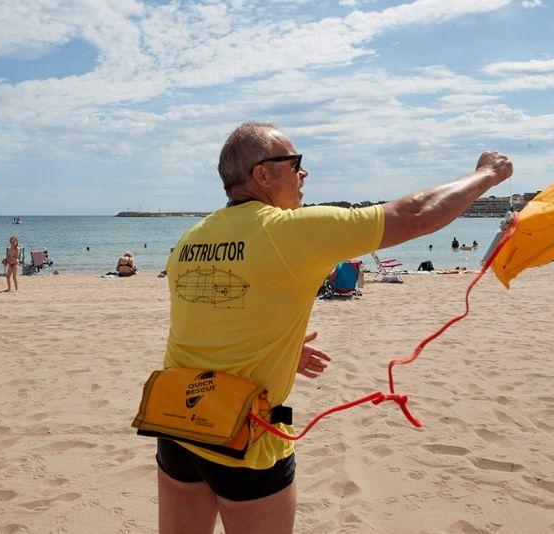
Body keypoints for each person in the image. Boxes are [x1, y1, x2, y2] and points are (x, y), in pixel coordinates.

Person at [153, 121, 513, 534]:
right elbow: (414, 216)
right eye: (295, 163)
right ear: (262, 174)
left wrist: (282, 349)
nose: (304, 173)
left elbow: (209, 316)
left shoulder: (191, 239)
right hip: (246, 436)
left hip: (180, 422)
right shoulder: (287, 230)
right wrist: (487, 174)